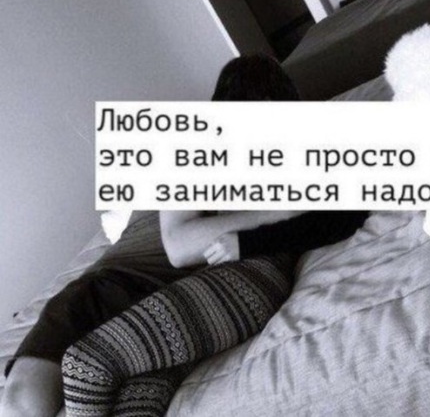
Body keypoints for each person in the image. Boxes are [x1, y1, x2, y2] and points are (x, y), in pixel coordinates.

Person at [0, 54, 368, 417]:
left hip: (191, 291)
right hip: (113, 283)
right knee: (22, 404)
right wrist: (281, 210)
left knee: (124, 390)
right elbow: (179, 247)